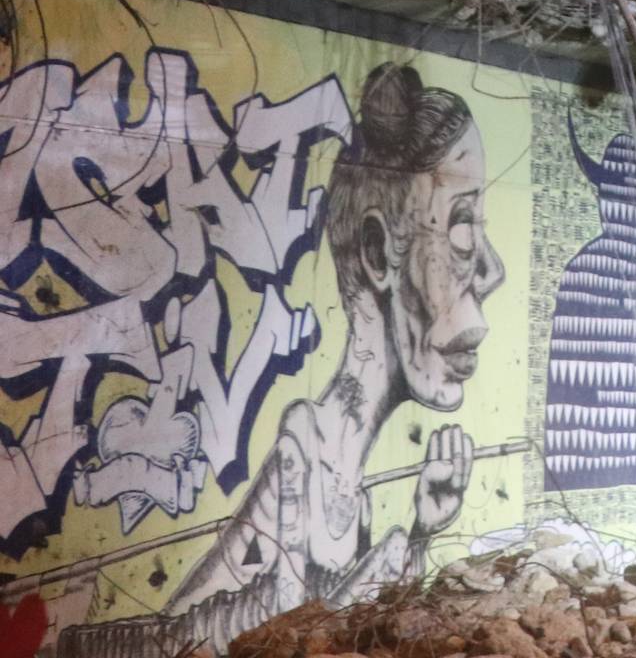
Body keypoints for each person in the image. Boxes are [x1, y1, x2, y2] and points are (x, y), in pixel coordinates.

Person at [60, 65, 504, 658]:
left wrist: (421, 532)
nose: (493, 271)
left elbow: (349, 629)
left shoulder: (353, 480)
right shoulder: (305, 447)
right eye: (463, 225)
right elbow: (296, 629)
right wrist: (413, 539)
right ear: (376, 253)